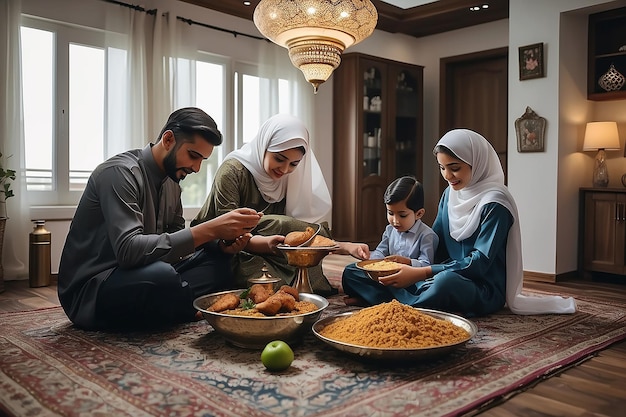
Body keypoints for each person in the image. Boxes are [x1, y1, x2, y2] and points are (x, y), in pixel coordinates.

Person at [58, 107, 264, 331]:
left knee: (218, 263)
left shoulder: (172, 184)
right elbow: (128, 252)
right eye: (193, 156)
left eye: (202, 160)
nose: (196, 168)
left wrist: (221, 244)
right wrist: (211, 229)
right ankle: (179, 304)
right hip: (95, 288)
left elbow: (176, 245)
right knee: (161, 277)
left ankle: (170, 304)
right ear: (168, 139)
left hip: (147, 273)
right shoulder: (119, 173)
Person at [343, 129, 576, 316]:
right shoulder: (451, 194)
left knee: (446, 283)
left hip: (478, 286)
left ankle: (382, 302)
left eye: (455, 168)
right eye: (442, 168)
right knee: (352, 272)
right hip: (436, 274)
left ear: (477, 163)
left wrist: (420, 273)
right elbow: (437, 242)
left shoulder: (496, 204)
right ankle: (398, 303)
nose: (447, 176)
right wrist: (408, 263)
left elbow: (478, 264)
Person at [192, 114, 369, 294]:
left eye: (293, 164)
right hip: (227, 247)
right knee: (269, 279)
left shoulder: (289, 178)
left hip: (276, 246)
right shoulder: (232, 171)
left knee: (305, 267)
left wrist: (279, 245)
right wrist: (266, 243)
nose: (284, 170)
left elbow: (295, 237)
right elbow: (229, 232)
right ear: (264, 146)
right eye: (279, 159)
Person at [342, 176, 439, 305]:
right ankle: (378, 300)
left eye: (402, 215)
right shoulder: (390, 230)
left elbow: (427, 266)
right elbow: (380, 252)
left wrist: (408, 262)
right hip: (386, 279)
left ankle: (371, 300)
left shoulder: (427, 235)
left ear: (419, 214)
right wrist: (369, 260)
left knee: (424, 289)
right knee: (350, 272)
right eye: (390, 213)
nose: (395, 220)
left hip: (410, 282)